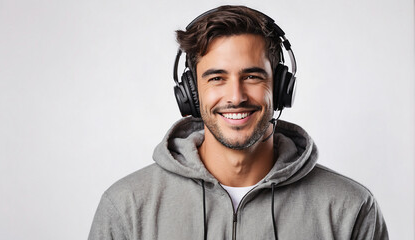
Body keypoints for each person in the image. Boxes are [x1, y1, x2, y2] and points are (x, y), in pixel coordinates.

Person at [88, 5, 388, 240]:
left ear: (281, 87)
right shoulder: (127, 206)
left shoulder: (351, 207)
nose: (236, 96)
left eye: (252, 76)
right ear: (191, 93)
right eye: (217, 78)